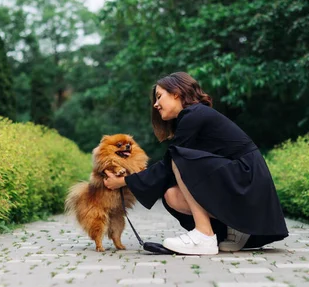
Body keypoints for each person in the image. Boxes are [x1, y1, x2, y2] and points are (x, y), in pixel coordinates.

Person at [103, 72, 288, 255]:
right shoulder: (193, 116)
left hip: (247, 182)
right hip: (242, 185)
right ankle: (236, 228)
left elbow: (169, 163)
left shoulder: (195, 114)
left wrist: (124, 181)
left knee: (179, 158)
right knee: (171, 195)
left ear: (176, 93)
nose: (155, 104)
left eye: (159, 97)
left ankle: (204, 236)